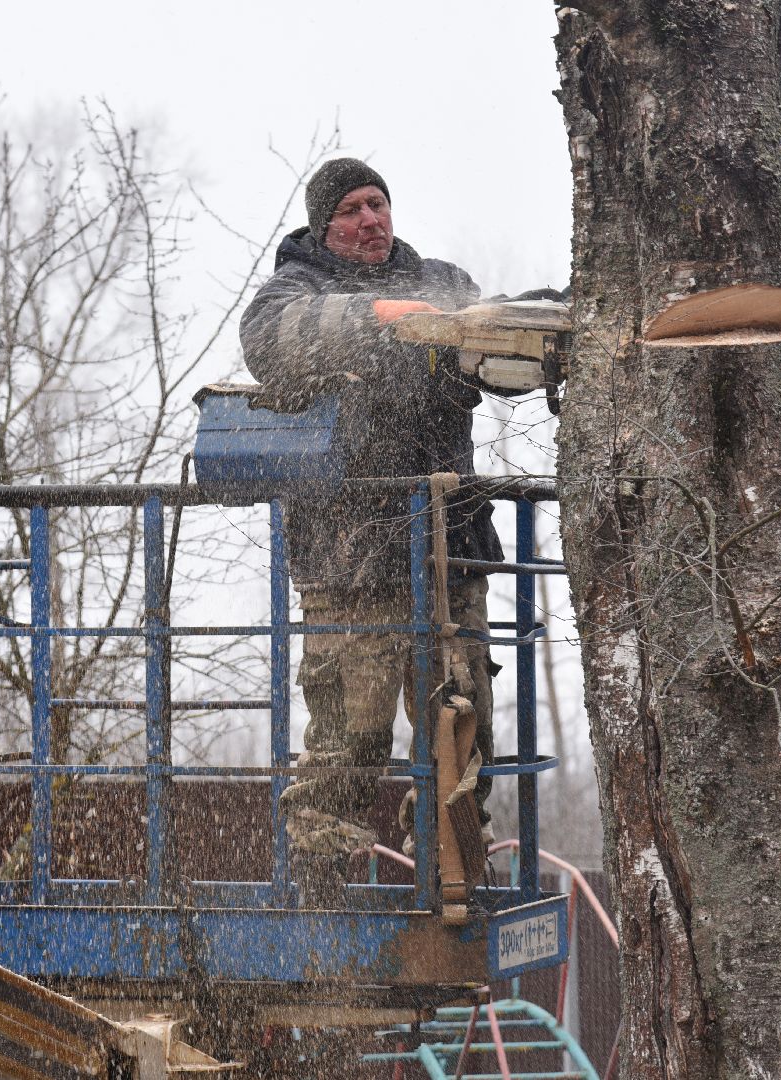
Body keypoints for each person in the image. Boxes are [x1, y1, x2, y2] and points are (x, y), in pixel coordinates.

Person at [240, 158, 517, 897]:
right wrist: (386, 319)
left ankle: (457, 874)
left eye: (378, 204)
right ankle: (322, 892)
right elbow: (272, 343)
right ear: (323, 227)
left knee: (463, 725)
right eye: (352, 210)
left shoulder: (443, 284)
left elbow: (498, 347)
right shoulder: (293, 292)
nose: (370, 219)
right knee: (348, 739)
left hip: (447, 549)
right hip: (350, 561)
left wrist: (540, 326)